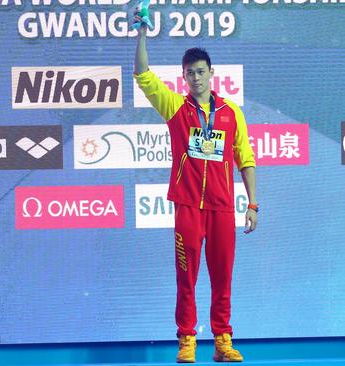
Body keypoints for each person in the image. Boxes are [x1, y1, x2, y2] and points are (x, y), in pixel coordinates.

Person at [133, 12, 258, 364]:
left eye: (201, 71)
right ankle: (186, 340)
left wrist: (253, 204)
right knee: (185, 279)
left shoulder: (232, 113)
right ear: (184, 77)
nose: (196, 77)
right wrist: (142, 35)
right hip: (187, 206)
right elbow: (142, 74)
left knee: (223, 278)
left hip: (221, 207)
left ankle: (222, 342)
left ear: (211, 73)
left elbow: (245, 159)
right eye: (190, 73)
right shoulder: (175, 107)